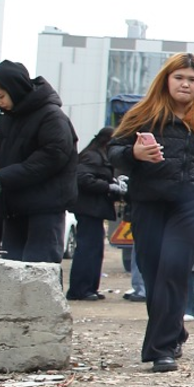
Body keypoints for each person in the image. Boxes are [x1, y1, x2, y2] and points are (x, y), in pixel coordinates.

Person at [108, 54, 194, 372]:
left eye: (192, 80)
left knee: (173, 269)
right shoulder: (143, 114)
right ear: (167, 79)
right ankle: (175, 331)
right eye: (179, 77)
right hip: (148, 203)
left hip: (192, 204)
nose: (185, 84)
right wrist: (134, 153)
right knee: (153, 275)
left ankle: (160, 349)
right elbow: (113, 151)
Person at [0, 60, 78, 263]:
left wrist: (2, 179)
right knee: (12, 271)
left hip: (45, 208)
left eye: (0, 96)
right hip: (14, 208)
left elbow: (51, 157)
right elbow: (6, 153)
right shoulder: (8, 118)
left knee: (39, 272)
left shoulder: (52, 116)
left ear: (15, 89)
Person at [68, 127, 122, 301]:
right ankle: (80, 289)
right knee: (88, 249)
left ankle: (89, 287)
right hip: (89, 209)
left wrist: (113, 183)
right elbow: (83, 178)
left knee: (94, 249)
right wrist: (108, 186)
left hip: (94, 209)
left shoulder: (97, 155)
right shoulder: (92, 156)